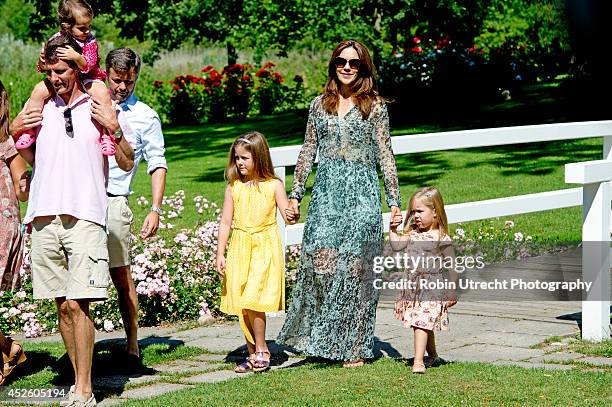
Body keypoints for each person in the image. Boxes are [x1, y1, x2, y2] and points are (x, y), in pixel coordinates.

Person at [10, 33, 134, 407]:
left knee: (80, 304)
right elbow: (24, 153)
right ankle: (80, 380)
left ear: (77, 68)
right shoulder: (40, 107)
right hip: (45, 218)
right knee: (62, 305)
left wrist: (114, 128)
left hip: (85, 217)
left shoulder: (97, 105)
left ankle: (84, 387)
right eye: (50, 72)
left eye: (62, 71)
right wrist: (16, 128)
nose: (56, 78)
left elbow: (126, 161)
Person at [276, 39, 403, 367]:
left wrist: (394, 202)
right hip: (326, 199)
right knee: (323, 269)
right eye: (341, 62)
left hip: (362, 198)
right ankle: (325, 338)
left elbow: (385, 153)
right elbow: (307, 150)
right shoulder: (319, 105)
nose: (347, 67)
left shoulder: (374, 107)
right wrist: (295, 194)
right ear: (333, 65)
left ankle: (355, 346)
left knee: (357, 273)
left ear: (364, 68)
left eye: (354, 63)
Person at [100, 47, 168, 364]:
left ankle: (132, 343)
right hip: (81, 197)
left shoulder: (145, 117)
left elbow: (157, 164)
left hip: (114, 199)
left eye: (129, 81)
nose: (122, 87)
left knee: (121, 274)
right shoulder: (88, 104)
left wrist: (155, 208)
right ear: (106, 74)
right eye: (117, 80)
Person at [216, 132, 296, 373]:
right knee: (243, 303)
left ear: (259, 158)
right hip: (241, 246)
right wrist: (220, 253)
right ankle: (252, 353)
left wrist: (292, 213)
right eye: (237, 158)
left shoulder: (273, 186)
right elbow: (225, 222)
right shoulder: (234, 188)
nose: (240, 163)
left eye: (245, 158)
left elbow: (287, 215)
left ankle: (262, 349)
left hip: (264, 247)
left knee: (254, 298)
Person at [15, 0, 115, 156]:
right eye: (82, 28)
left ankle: (107, 135)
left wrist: (76, 57)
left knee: (102, 93)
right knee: (38, 91)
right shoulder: (56, 39)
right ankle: (29, 130)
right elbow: (46, 65)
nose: (87, 31)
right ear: (66, 26)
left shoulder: (90, 41)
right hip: (64, 76)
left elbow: (88, 64)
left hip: (88, 76)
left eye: (89, 26)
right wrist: (42, 59)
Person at [389, 187, 457, 374]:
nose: (415, 216)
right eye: (412, 211)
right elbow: (396, 245)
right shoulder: (413, 233)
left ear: (435, 212)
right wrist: (393, 229)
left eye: (420, 211)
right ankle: (433, 355)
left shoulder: (441, 238)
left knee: (421, 322)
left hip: (431, 287)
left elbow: (452, 267)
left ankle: (418, 361)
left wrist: (452, 291)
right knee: (423, 323)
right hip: (413, 287)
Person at [0, 80, 29, 386]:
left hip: (2, 227)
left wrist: (25, 181)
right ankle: (9, 348)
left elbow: (22, 192)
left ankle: (9, 349)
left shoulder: (7, 143)